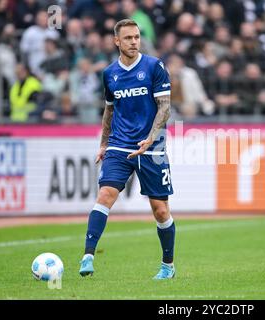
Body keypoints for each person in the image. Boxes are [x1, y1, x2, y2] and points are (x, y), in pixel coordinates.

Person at [79, 19, 175, 280]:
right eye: (129, 38)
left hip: (151, 148)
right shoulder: (110, 73)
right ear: (117, 41)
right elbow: (109, 109)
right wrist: (103, 143)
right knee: (106, 195)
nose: (134, 41)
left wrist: (151, 137)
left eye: (137, 37)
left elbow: (164, 107)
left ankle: (168, 265)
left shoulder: (154, 67)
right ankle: (88, 255)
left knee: (161, 210)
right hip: (119, 145)